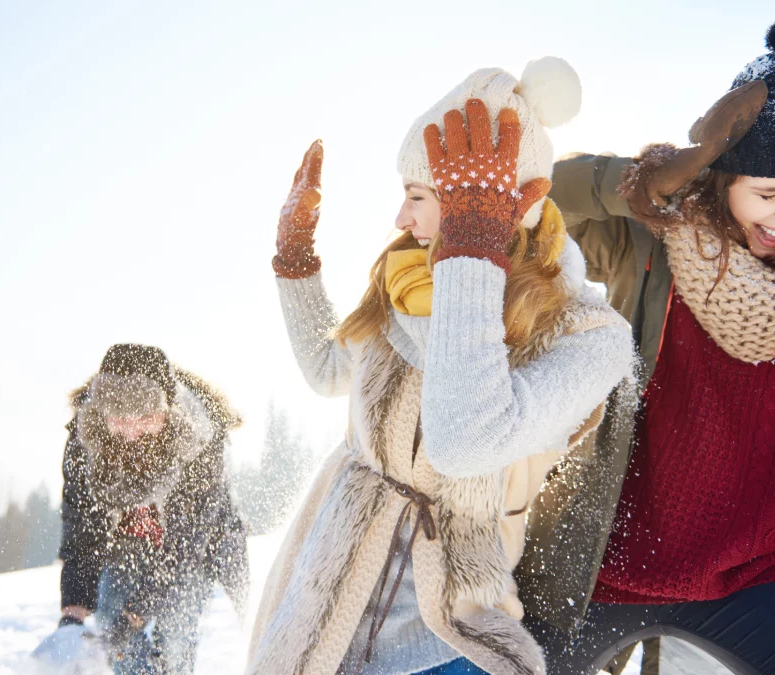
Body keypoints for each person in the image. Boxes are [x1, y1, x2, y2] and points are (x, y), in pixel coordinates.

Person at [520, 8, 775, 675]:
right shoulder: (650, 238)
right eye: (767, 193)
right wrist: (636, 181)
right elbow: (538, 199)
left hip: (765, 573)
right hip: (598, 569)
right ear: (723, 176)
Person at [247, 58, 636, 675]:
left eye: (419, 197)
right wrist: (296, 263)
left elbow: (466, 441)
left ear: (497, 206)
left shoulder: (587, 337)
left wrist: (471, 252)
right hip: (332, 594)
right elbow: (328, 369)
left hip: (450, 629)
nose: (401, 219)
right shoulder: (405, 280)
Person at [47, 344, 249, 674]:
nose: (131, 430)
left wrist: (136, 614)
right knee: (116, 633)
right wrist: (72, 615)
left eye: (144, 417)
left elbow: (185, 546)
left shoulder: (198, 436)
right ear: (102, 411)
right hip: (127, 541)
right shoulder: (86, 441)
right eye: (120, 417)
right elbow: (83, 531)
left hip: (198, 544)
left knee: (174, 635)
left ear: (167, 410)